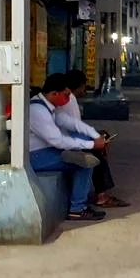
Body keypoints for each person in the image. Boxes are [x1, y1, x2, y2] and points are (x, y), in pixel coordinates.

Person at [29, 73, 107, 221]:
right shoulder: (37, 111)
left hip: (47, 151)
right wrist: (91, 144)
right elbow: (58, 141)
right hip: (36, 157)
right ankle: (78, 208)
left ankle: (81, 201)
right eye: (66, 95)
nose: (68, 98)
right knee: (84, 162)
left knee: (82, 147)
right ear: (54, 93)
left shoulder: (48, 106)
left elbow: (72, 123)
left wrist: (95, 135)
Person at [59, 70, 129, 209]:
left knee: (98, 143)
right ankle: (101, 196)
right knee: (97, 151)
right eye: (84, 86)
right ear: (78, 86)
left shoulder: (67, 99)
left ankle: (101, 193)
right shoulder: (70, 100)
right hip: (65, 141)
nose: (85, 90)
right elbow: (75, 129)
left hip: (65, 138)